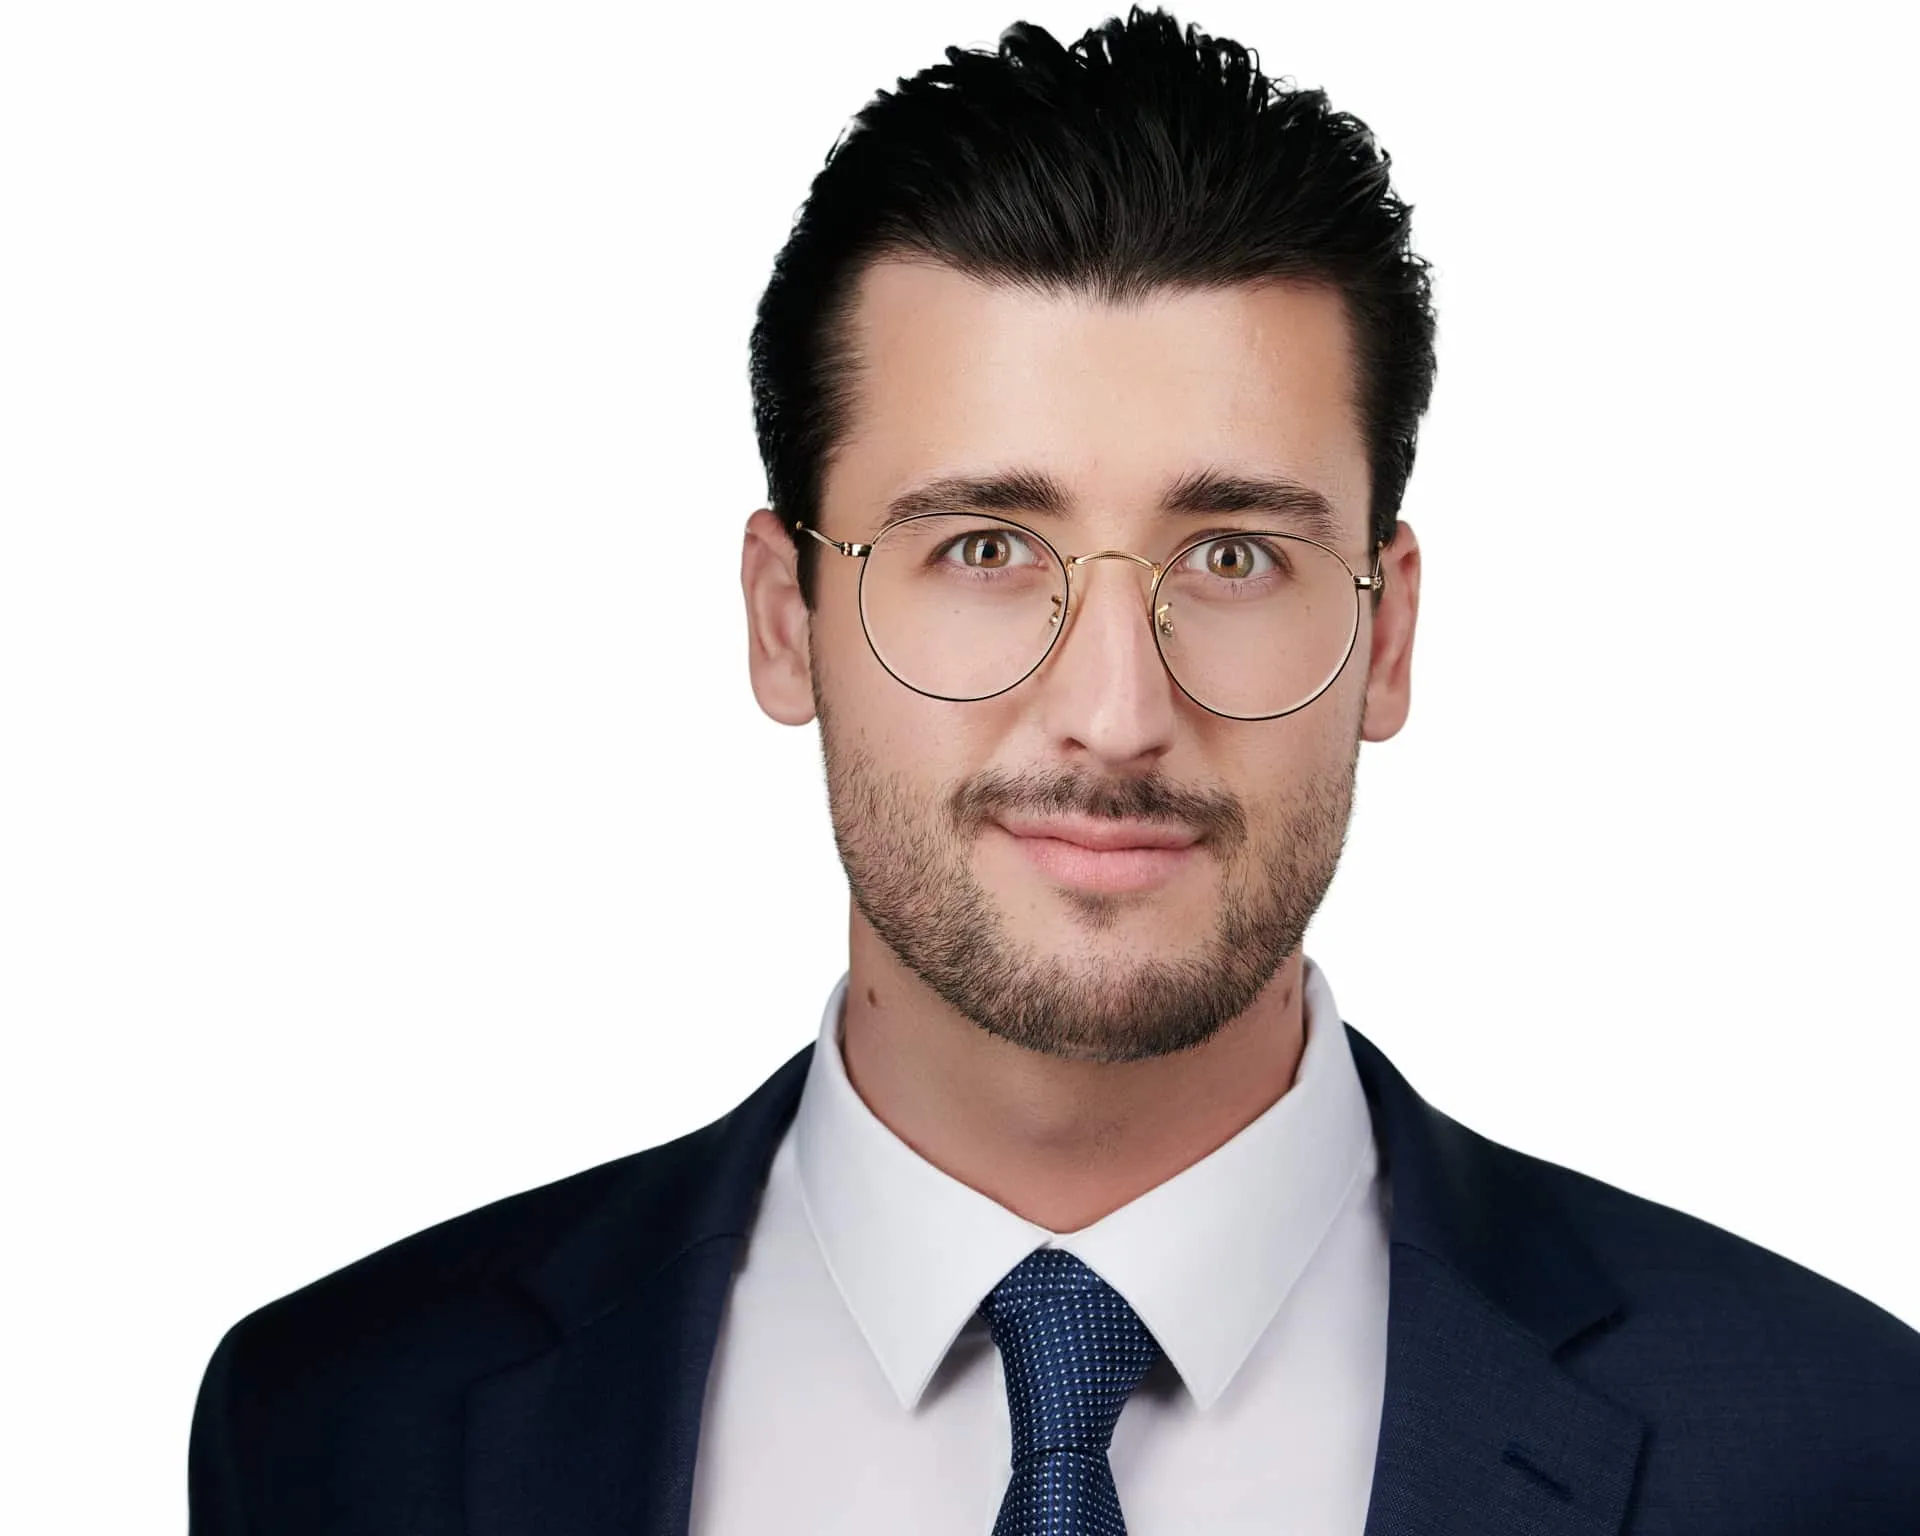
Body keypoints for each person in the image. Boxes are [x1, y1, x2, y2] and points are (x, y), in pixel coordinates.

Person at [187, 8, 1920, 1532]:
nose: (1111, 712)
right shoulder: (343, 1430)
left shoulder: (1838, 1449)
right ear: (784, 620)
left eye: (1232, 555)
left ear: (1387, 638)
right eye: (985, 548)